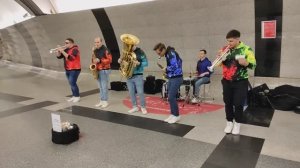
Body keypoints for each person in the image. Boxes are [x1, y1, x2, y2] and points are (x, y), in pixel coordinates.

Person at [220, 30, 256, 135]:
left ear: (237, 39)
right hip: (226, 81)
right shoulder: (225, 49)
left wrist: (246, 63)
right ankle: (229, 122)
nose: (229, 43)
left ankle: (237, 123)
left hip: (240, 81)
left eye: (231, 41)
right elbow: (219, 65)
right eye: (228, 41)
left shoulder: (246, 49)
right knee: (228, 102)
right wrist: (221, 58)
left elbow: (253, 65)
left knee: (238, 103)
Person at [153, 43, 183, 124]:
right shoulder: (168, 54)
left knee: (171, 97)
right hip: (172, 77)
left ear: (163, 49)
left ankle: (176, 115)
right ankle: (172, 114)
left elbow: (175, 66)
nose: (159, 55)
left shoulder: (171, 53)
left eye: (159, 53)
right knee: (170, 97)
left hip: (177, 78)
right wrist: (168, 72)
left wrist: (166, 69)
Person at [118, 45, 148, 114]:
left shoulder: (141, 52)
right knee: (131, 92)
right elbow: (123, 62)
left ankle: (143, 107)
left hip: (138, 75)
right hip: (129, 75)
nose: (130, 46)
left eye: (132, 45)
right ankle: (135, 107)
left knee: (140, 92)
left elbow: (146, 63)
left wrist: (139, 63)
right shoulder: (127, 52)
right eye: (129, 45)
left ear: (135, 44)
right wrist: (120, 60)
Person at [56, 38, 81, 103]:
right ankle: (74, 96)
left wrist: (62, 51)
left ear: (71, 43)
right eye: (65, 43)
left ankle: (77, 96)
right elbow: (59, 57)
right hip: (67, 69)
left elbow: (71, 58)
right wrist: (58, 52)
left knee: (72, 83)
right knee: (71, 83)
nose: (65, 44)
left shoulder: (75, 49)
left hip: (75, 69)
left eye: (67, 43)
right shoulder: (66, 49)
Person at [93, 37, 112, 108]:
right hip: (98, 69)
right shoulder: (95, 51)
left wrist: (100, 60)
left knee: (104, 87)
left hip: (104, 70)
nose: (96, 44)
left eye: (98, 42)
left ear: (101, 42)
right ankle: (101, 100)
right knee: (100, 87)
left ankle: (105, 101)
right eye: (95, 42)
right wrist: (94, 63)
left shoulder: (106, 50)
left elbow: (110, 60)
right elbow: (94, 60)